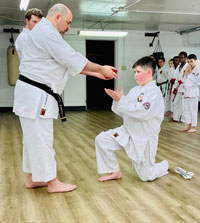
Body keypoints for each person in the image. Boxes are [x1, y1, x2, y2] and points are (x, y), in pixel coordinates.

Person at [13, 3, 118, 193]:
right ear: (57, 17)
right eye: (68, 22)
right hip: (36, 96)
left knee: (32, 140)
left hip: (31, 95)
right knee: (41, 139)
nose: (69, 27)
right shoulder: (47, 33)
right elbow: (72, 58)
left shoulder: (43, 33)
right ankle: (52, 182)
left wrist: (96, 74)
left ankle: (32, 179)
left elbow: (67, 63)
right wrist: (100, 68)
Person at [95, 56, 169, 182]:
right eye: (134, 72)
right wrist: (117, 100)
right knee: (102, 139)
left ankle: (164, 165)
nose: (135, 75)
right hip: (127, 131)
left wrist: (122, 101)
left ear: (149, 72)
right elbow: (123, 112)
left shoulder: (154, 92)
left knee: (146, 176)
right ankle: (114, 172)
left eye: (138, 72)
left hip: (144, 137)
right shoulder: (135, 90)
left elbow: (142, 113)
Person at [181, 54, 200, 133]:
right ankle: (188, 125)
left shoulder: (198, 68)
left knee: (193, 110)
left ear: (195, 60)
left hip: (193, 92)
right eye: (188, 61)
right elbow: (183, 80)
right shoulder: (188, 67)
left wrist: (191, 72)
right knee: (186, 110)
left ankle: (193, 126)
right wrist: (186, 71)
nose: (190, 63)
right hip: (186, 92)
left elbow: (196, 81)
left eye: (191, 61)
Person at [172, 52, 188, 122]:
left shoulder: (188, 66)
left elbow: (188, 78)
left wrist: (184, 87)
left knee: (184, 104)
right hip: (178, 86)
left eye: (182, 57)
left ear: (186, 58)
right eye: (179, 57)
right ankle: (176, 117)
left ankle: (183, 119)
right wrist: (175, 87)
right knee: (176, 102)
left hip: (185, 87)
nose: (180, 59)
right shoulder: (178, 66)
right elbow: (176, 77)